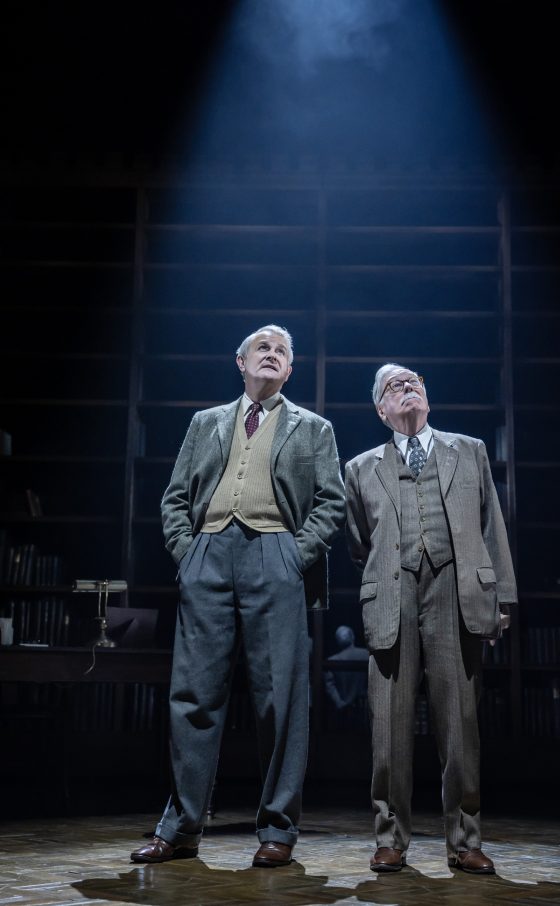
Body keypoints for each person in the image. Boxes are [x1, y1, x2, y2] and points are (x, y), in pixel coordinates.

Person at [131, 325, 345, 867]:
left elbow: (331, 502)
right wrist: (188, 553)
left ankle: (278, 829)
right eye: (262, 349)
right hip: (207, 554)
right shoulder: (205, 422)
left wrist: (295, 556)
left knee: (281, 700)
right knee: (194, 695)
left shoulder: (313, 428)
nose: (271, 355)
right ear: (241, 362)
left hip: (276, 554)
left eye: (281, 352)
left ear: (290, 370)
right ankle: (181, 826)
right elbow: (175, 496)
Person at [344, 363, 517, 875]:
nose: (407, 388)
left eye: (414, 381)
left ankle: (465, 841)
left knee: (460, 725)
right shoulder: (360, 468)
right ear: (381, 409)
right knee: (388, 729)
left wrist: (501, 598)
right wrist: (390, 569)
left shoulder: (470, 450)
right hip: (391, 596)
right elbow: (359, 542)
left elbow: (492, 525)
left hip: (456, 593)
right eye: (394, 385)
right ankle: (390, 839)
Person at [323, 625, 369, 728]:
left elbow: (330, 686)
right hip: (364, 711)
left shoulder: (331, 661)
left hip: (341, 714)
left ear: (337, 641)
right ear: (353, 636)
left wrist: (339, 703)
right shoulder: (367, 655)